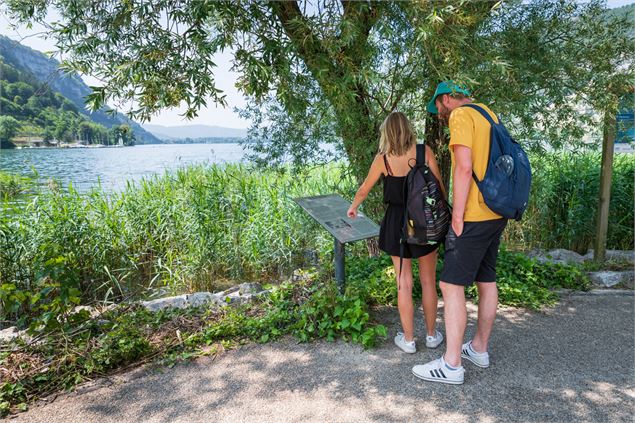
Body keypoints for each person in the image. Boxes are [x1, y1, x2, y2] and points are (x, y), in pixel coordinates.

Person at [412, 81, 508, 385]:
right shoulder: (488, 113)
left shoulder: (461, 115)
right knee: (486, 279)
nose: (439, 114)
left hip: (475, 215)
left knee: (450, 285)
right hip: (496, 210)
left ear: (446, 99)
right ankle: (479, 348)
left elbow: (464, 168)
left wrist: (457, 216)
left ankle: (451, 365)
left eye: (438, 108)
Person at [347, 111, 445, 353]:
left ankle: (409, 340)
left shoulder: (383, 160)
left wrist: (353, 207)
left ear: (386, 133)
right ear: (408, 129)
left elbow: (363, 189)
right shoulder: (424, 152)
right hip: (423, 221)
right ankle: (432, 336)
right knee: (428, 281)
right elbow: (440, 187)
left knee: (403, 281)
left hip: (396, 224)